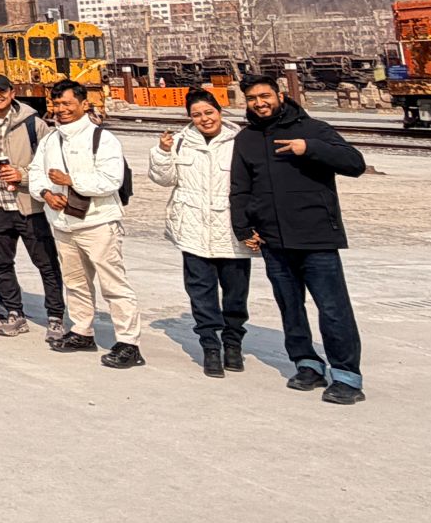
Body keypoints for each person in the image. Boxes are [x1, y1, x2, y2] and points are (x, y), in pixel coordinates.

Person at [229, 74, 368, 403]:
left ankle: (346, 376)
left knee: (333, 308)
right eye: (252, 99)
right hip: (273, 240)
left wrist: (310, 149)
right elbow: (240, 188)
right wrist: (243, 228)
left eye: (265, 96)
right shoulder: (246, 139)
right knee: (290, 308)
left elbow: (355, 164)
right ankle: (307, 364)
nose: (259, 103)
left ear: (279, 95)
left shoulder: (313, 129)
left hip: (316, 237)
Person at [30, 81, 143, 368]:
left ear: (83, 104)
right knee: (75, 282)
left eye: (67, 104)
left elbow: (111, 179)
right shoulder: (50, 140)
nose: (61, 109)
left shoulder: (102, 139)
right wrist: (46, 194)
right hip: (63, 223)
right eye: (57, 104)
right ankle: (82, 331)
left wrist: (71, 181)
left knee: (113, 283)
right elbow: (36, 173)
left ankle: (129, 342)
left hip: (98, 223)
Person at [148, 88, 252, 378]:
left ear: (219, 111)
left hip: (231, 230)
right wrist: (163, 153)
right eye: (196, 115)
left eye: (209, 112)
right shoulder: (181, 141)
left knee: (235, 294)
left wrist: (254, 224)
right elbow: (163, 179)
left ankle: (233, 344)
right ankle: (210, 347)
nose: (204, 119)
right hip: (193, 228)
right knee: (201, 292)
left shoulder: (240, 141)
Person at [0, 75, 66, 340]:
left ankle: (55, 316)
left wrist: (22, 175)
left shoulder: (34, 124)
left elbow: (51, 166)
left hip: (28, 206)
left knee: (46, 264)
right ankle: (14, 312)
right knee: (0, 264)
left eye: (1, 91)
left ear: (12, 93)